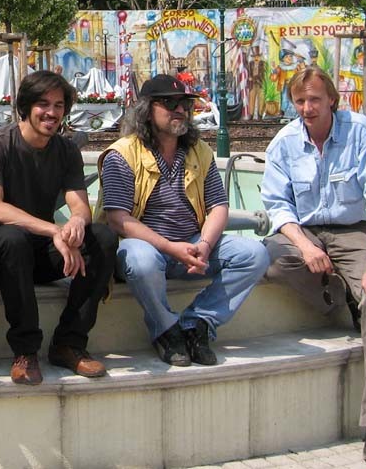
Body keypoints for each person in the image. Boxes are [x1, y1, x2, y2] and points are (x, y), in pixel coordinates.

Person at [260, 67, 366, 466]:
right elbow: (278, 207)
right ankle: (339, 296)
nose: (307, 108)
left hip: (352, 231)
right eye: (300, 101)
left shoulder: (360, 132)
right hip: (305, 232)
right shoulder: (284, 144)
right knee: (270, 257)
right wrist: (305, 246)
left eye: (315, 100)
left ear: (332, 100)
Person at [99, 74, 268, 367]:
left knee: (255, 254)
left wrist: (205, 245)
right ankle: (166, 330)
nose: (180, 110)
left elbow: (218, 206)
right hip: (144, 247)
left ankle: (197, 323)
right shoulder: (122, 154)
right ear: (146, 110)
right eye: (169, 103)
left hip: (191, 245)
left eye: (185, 104)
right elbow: (118, 219)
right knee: (141, 260)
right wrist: (169, 247)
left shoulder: (199, 150)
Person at [0, 70, 117, 385]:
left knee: (102, 237)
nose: (51, 112)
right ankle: (25, 351)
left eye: (59, 105)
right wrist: (53, 230)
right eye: (43, 104)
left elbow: (79, 204)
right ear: (25, 106)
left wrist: (76, 224)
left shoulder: (66, 150)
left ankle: (69, 343)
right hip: (3, 255)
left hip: (41, 251)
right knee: (12, 239)